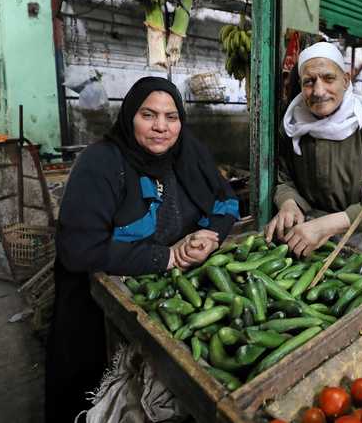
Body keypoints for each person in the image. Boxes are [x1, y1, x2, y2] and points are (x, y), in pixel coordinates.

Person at [45, 77, 238, 422]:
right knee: (96, 398)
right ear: (130, 115)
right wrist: (168, 256)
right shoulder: (101, 163)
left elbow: (226, 200)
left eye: (171, 116)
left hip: (163, 295)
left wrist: (211, 234)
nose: (161, 127)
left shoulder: (187, 151)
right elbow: (78, 249)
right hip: (97, 307)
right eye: (148, 115)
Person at [265, 41, 362, 256]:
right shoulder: (292, 126)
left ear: (346, 80)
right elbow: (284, 179)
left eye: (328, 78)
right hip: (306, 233)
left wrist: (323, 227)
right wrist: (289, 204)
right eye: (309, 82)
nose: (318, 91)